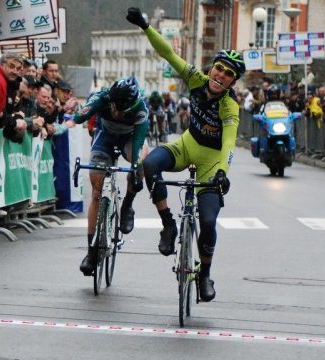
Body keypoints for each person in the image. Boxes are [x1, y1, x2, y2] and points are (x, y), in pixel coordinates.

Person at [127, 7, 237, 302]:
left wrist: (222, 172)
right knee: (150, 164)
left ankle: (205, 275)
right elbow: (168, 55)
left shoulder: (230, 106)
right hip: (187, 145)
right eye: (219, 69)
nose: (221, 76)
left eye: (228, 75)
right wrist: (146, 26)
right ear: (212, 68)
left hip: (211, 162)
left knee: (210, 222)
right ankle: (168, 224)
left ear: (231, 82)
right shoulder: (197, 79)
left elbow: (228, 142)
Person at [66, 76, 148, 276]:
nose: (118, 114)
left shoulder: (141, 109)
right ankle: (91, 252)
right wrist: (68, 123)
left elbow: (137, 144)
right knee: (96, 192)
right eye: (115, 108)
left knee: (142, 161)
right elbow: (80, 117)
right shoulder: (102, 97)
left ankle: (128, 204)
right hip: (106, 138)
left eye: (123, 111)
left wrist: (136, 167)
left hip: (130, 138)